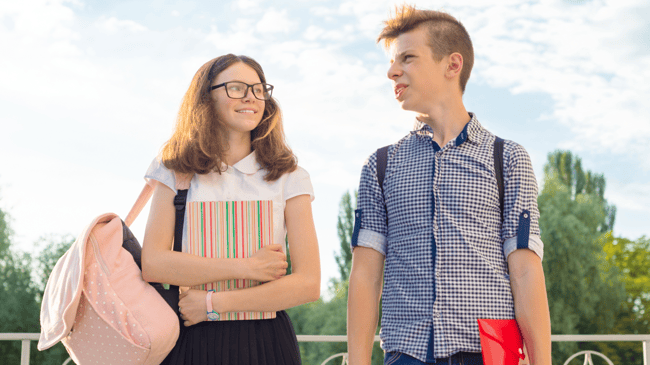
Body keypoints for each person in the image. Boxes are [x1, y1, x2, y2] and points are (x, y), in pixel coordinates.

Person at [347, 5, 551, 365]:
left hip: (491, 353)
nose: (392, 71)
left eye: (407, 58)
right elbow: (364, 277)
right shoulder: (380, 165)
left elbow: (525, 272)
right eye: (394, 61)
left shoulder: (509, 159)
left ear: (452, 65)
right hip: (407, 354)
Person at [141, 54, 320, 365]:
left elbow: (308, 283)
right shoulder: (175, 170)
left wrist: (213, 303)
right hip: (188, 339)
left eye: (258, 88)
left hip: (266, 343)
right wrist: (246, 267)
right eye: (236, 88)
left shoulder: (290, 176)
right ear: (205, 98)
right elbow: (154, 263)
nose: (251, 97)